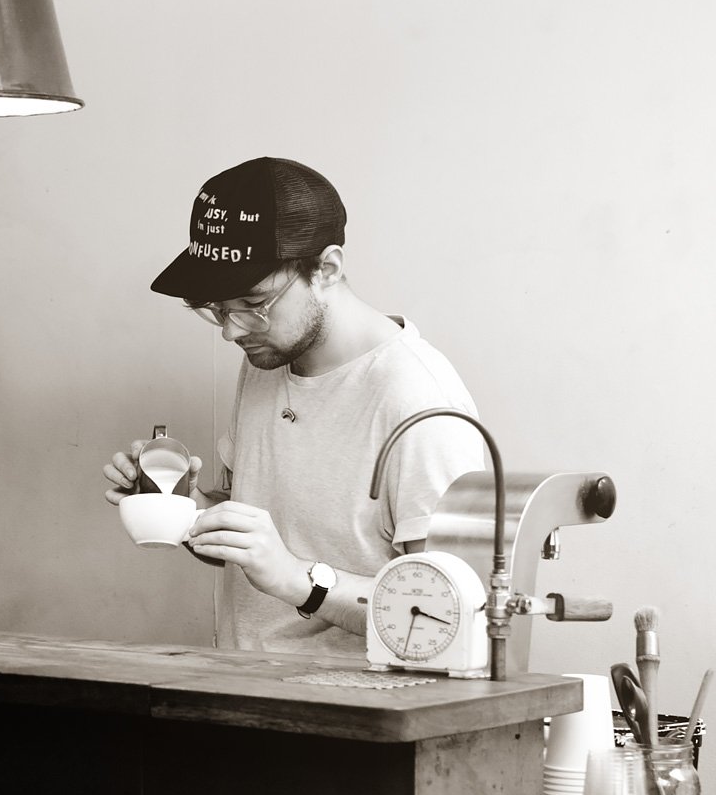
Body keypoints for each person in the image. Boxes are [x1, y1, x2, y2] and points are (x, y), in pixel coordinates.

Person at [103, 156, 485, 653]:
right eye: (217, 308)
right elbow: (264, 542)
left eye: (253, 304)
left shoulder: (417, 400)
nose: (231, 330)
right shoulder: (269, 357)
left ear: (326, 268)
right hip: (247, 699)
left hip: (359, 717)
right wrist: (188, 511)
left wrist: (300, 583)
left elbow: (450, 616)